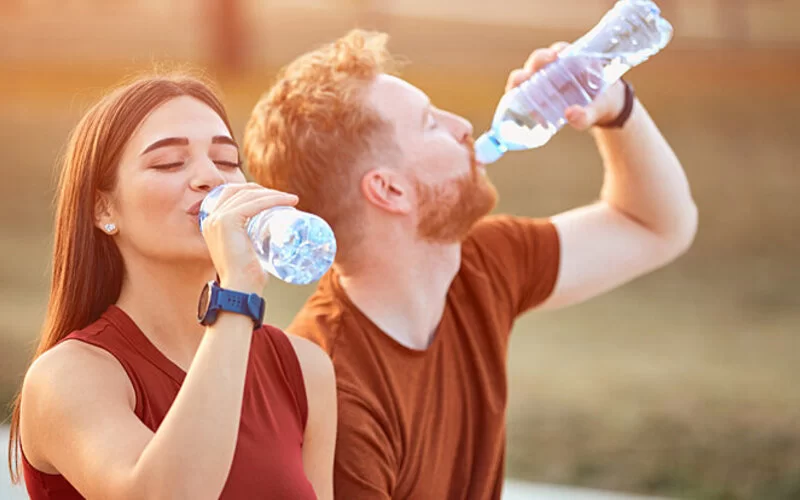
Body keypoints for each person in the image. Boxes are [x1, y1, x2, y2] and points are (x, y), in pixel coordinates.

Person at [244, 30, 698, 499]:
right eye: (428, 123)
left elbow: (657, 226)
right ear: (389, 190)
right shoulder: (338, 395)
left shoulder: (480, 263)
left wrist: (615, 107)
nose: (461, 124)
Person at [6, 74, 336, 499]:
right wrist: (236, 293)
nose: (209, 178)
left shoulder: (304, 370)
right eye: (168, 163)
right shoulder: (67, 377)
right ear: (103, 207)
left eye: (226, 160)